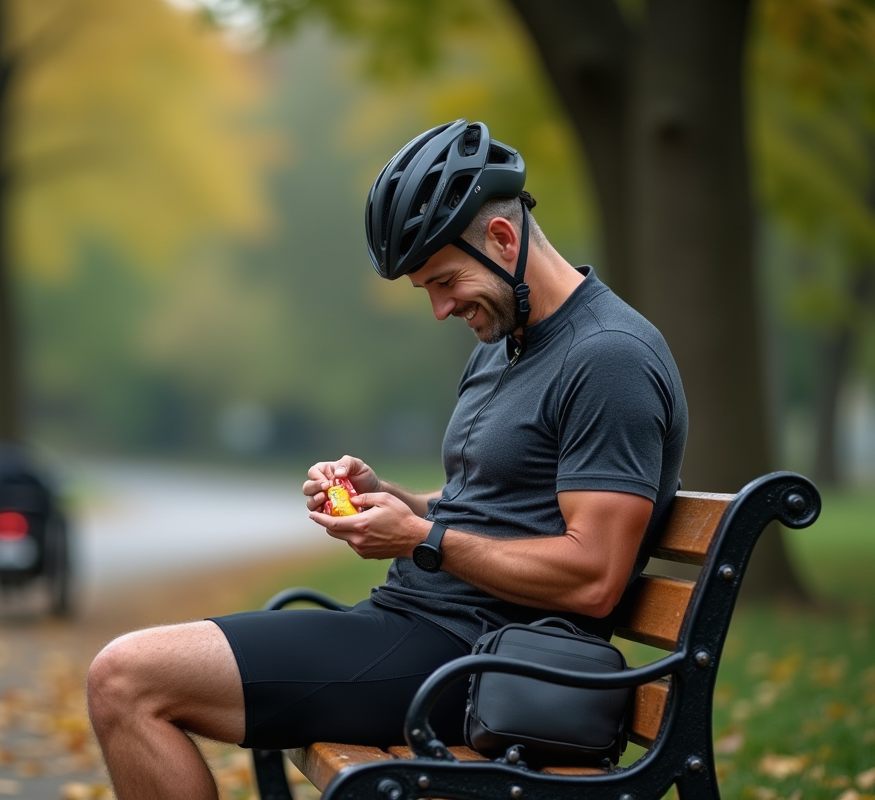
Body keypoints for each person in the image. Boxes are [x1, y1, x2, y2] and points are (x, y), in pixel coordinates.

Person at [85, 119, 689, 800]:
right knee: (127, 676)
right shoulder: (506, 344)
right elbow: (491, 508)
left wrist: (422, 540)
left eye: (445, 280)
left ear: (502, 239)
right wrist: (393, 499)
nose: (439, 308)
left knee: (125, 679)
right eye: (426, 288)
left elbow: (594, 578)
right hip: (417, 631)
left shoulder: (608, 359)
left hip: (478, 665)